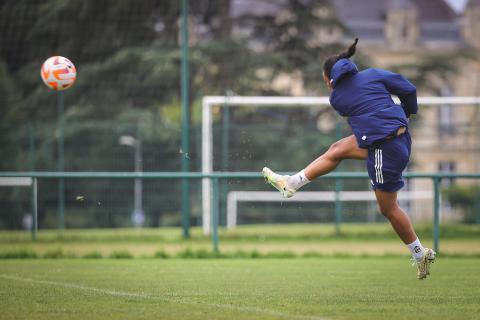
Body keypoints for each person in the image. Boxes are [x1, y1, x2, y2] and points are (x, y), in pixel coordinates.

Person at [262, 38, 436, 280]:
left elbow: (364, 121)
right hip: (399, 139)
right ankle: (291, 183)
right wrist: (406, 113)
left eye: (326, 83)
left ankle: (420, 254)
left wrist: (389, 121)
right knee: (336, 149)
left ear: (330, 79)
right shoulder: (373, 74)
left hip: (384, 149)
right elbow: (409, 89)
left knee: (388, 209)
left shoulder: (337, 98)